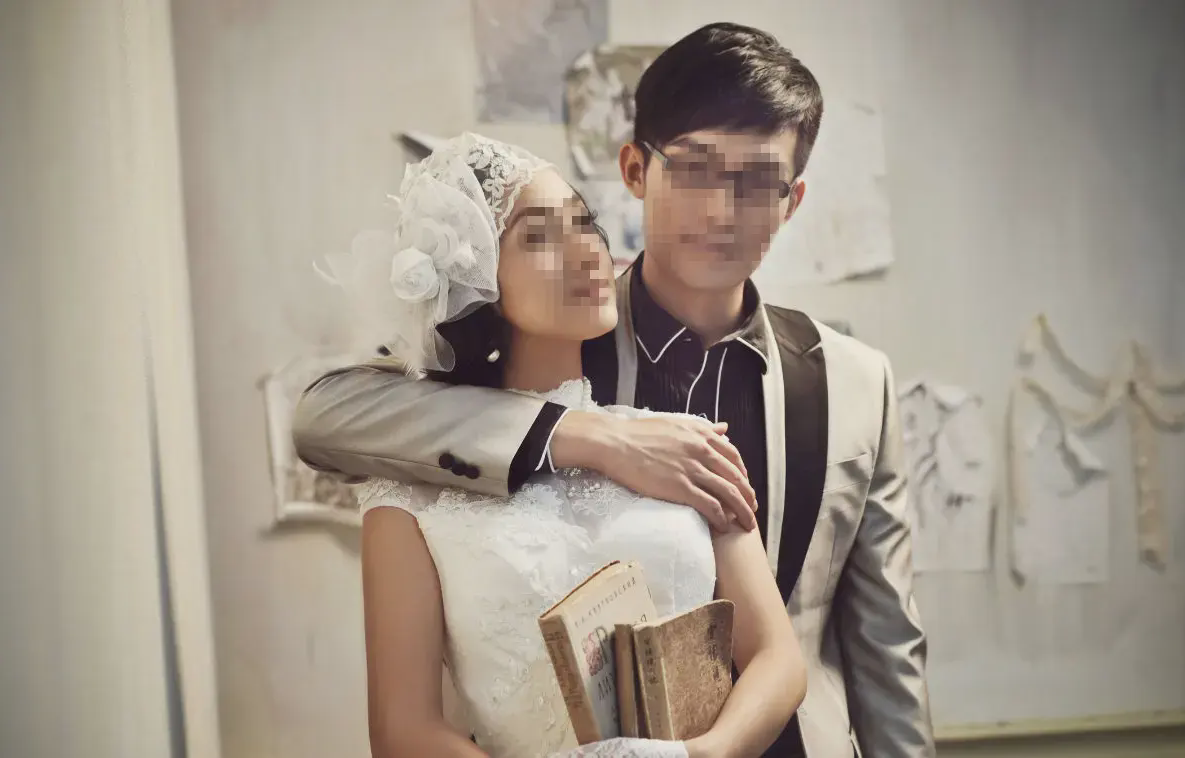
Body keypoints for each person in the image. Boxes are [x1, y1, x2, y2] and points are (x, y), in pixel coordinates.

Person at [296, 22, 934, 758]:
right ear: (636, 169)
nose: (722, 211)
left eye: (758, 182)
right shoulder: (558, 333)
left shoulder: (857, 381)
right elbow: (326, 418)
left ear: (792, 201)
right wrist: (583, 434)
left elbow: (887, 644)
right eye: (694, 168)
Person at [319, 132, 806, 758]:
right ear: (473, 280)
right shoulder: (408, 493)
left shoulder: (681, 442)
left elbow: (777, 657)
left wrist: (698, 756)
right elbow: (402, 730)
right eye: (540, 236)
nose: (585, 252)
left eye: (584, 224)